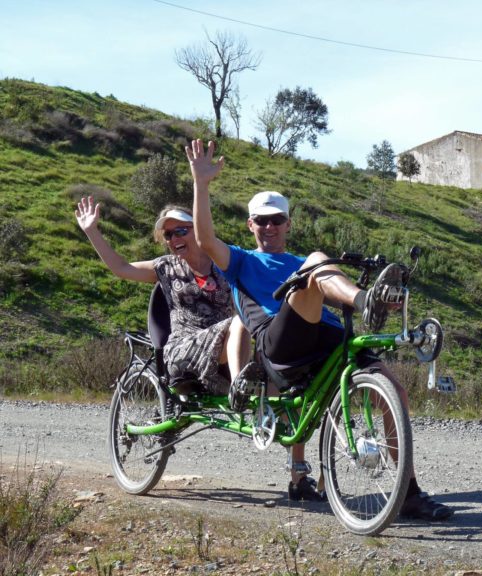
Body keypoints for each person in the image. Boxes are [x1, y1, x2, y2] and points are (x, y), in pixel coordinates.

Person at [186, 138, 454, 521]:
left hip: (322, 336)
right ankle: (365, 302)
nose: (269, 226)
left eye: (277, 219)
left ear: (287, 224)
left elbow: (326, 284)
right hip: (279, 342)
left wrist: (383, 301)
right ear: (250, 226)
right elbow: (205, 240)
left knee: (393, 391)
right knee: (316, 262)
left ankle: (409, 492)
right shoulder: (242, 261)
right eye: (261, 220)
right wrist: (201, 182)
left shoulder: (304, 262)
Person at [74, 198, 252, 398]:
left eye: (181, 231)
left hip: (224, 353)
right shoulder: (166, 267)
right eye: (168, 235)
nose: (175, 239)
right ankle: (240, 389)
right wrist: (91, 231)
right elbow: (121, 268)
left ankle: (281, 425)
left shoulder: (225, 262)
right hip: (183, 352)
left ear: (198, 229)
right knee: (240, 322)